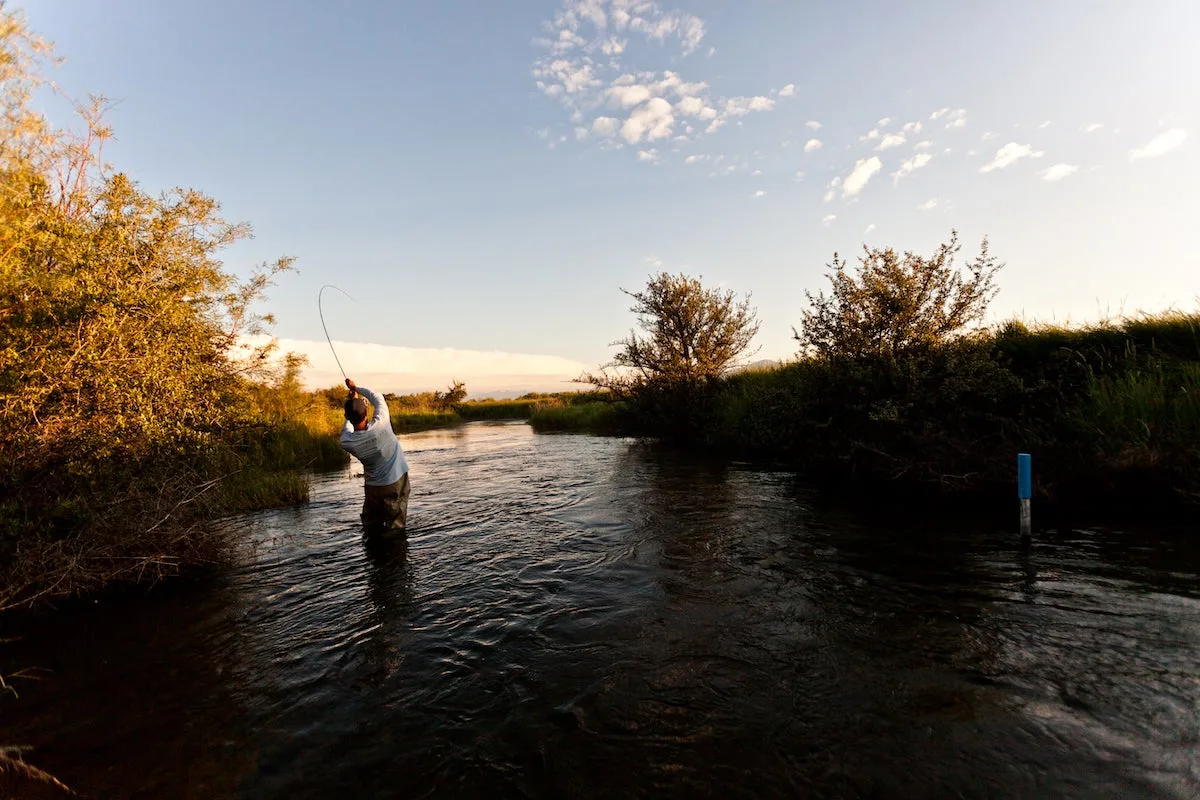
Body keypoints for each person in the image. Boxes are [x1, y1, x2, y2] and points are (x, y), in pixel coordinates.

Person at [340, 378, 410, 531]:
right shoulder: (382, 422)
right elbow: (376, 396)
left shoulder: (346, 441)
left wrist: (352, 402)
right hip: (394, 482)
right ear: (367, 413)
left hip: (372, 487)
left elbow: (347, 428)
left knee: (371, 524)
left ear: (347, 417)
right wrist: (355, 388)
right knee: (395, 524)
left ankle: (371, 551)